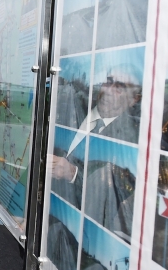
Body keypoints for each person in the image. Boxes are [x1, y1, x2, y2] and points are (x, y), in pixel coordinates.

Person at [50, 64, 141, 239]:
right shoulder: (72, 109)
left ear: (133, 100)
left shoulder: (130, 141)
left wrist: (74, 174)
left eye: (119, 87)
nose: (108, 90)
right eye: (108, 82)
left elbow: (111, 198)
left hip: (72, 234)